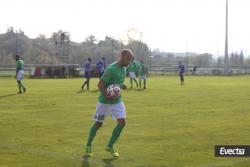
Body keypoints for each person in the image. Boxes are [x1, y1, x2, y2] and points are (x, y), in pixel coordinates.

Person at [85, 49, 133, 158]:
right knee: (98, 124)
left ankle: (110, 145)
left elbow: (116, 84)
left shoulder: (123, 69)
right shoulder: (111, 69)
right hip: (105, 102)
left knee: (122, 122)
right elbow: (100, 84)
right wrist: (106, 95)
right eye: (128, 59)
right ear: (122, 56)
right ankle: (88, 145)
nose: (129, 62)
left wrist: (122, 86)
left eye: (130, 60)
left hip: (117, 101)